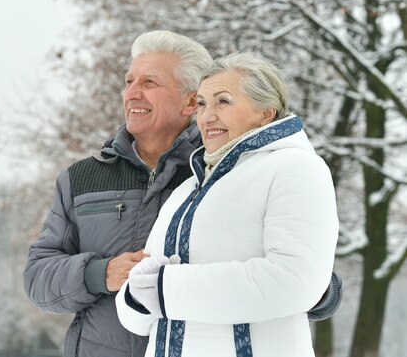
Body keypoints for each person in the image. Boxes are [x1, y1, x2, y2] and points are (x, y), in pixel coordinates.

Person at [24, 32, 341, 357]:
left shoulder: (222, 171)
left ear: (188, 101)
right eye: (129, 81)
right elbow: (37, 277)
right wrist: (102, 274)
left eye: (149, 83)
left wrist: (312, 288)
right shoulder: (83, 178)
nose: (132, 93)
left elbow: (301, 274)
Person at [116, 52, 340, 357]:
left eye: (223, 101)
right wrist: (135, 297)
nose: (207, 116)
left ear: (266, 113)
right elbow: (138, 314)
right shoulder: (187, 190)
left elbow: (294, 282)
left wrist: (166, 289)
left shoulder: (296, 168)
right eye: (203, 104)